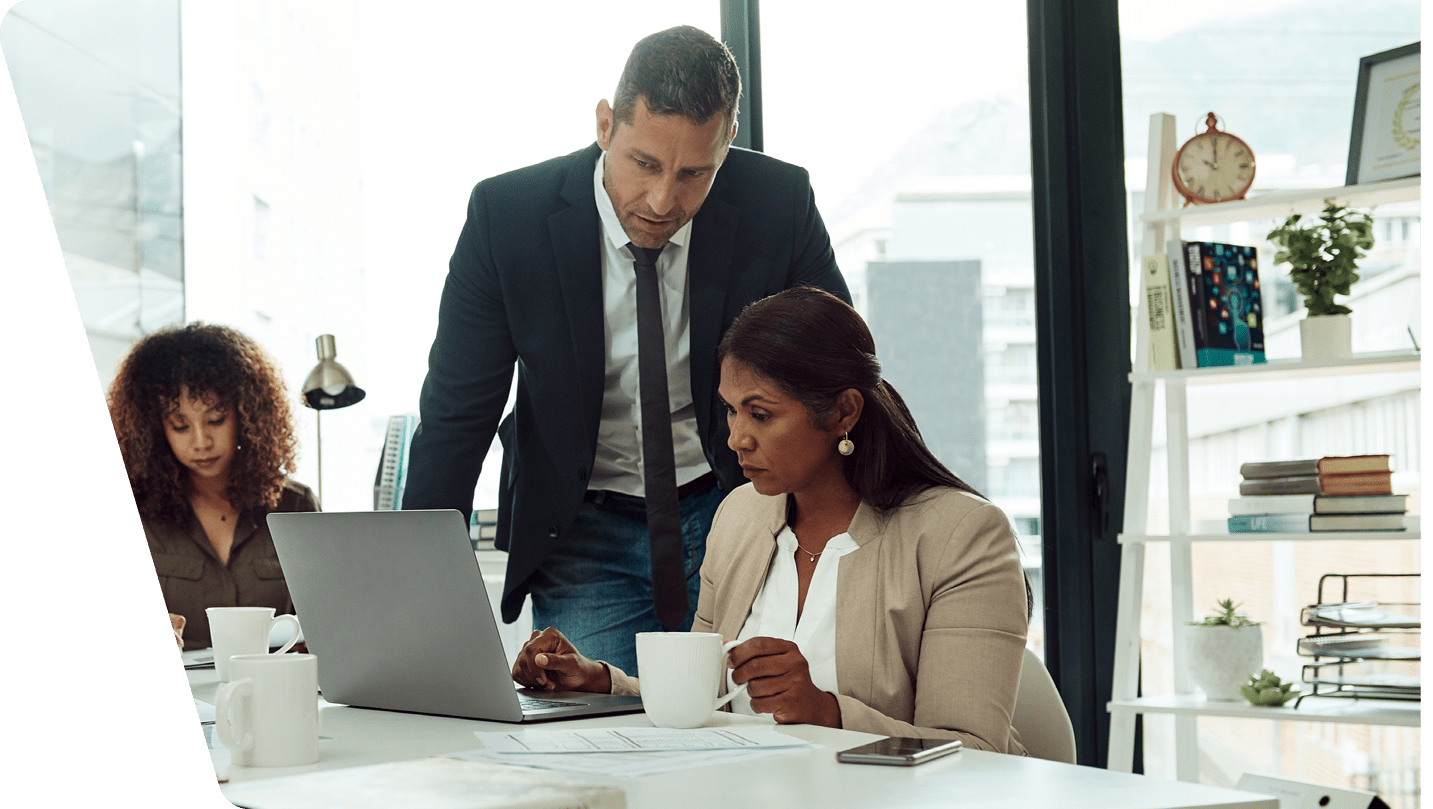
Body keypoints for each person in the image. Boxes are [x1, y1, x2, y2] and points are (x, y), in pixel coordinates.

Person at [402, 25, 849, 675]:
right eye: (644, 163)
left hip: (739, 507)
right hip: (583, 526)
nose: (664, 200)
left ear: (726, 147)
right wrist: (419, 593)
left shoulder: (775, 203)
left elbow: (839, 373)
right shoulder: (509, 217)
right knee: (600, 740)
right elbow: (457, 414)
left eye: (695, 173)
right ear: (605, 125)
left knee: (755, 728)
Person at [512, 287, 1031, 754]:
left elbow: (977, 751)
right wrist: (600, 682)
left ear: (844, 413)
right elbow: (715, 699)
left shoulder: (962, 536)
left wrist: (826, 711)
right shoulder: (741, 515)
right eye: (731, 411)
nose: (737, 438)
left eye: (760, 414)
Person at [108, 322, 319, 650]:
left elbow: (327, 620)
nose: (201, 441)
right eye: (180, 426)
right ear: (154, 428)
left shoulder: (296, 504)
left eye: (215, 420)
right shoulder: (133, 508)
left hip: (273, 690)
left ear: (247, 415)